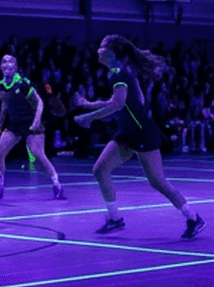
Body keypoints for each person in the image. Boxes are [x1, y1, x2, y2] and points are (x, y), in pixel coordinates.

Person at [73, 35, 204, 238]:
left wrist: (89, 117)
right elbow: (128, 100)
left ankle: (193, 217)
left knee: (158, 182)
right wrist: (90, 105)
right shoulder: (121, 73)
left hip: (142, 132)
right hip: (127, 132)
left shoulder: (118, 73)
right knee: (100, 170)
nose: (98, 50)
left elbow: (117, 104)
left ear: (111, 53)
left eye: (101, 47)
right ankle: (115, 218)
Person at [0, 54, 64, 201]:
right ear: (1, 66)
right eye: (4, 61)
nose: (7, 63)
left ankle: (57, 183)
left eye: (11, 61)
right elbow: (5, 103)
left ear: (15, 67)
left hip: (31, 122)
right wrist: (0, 121)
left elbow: (40, 102)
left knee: (38, 155)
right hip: (15, 125)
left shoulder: (23, 84)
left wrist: (36, 121)